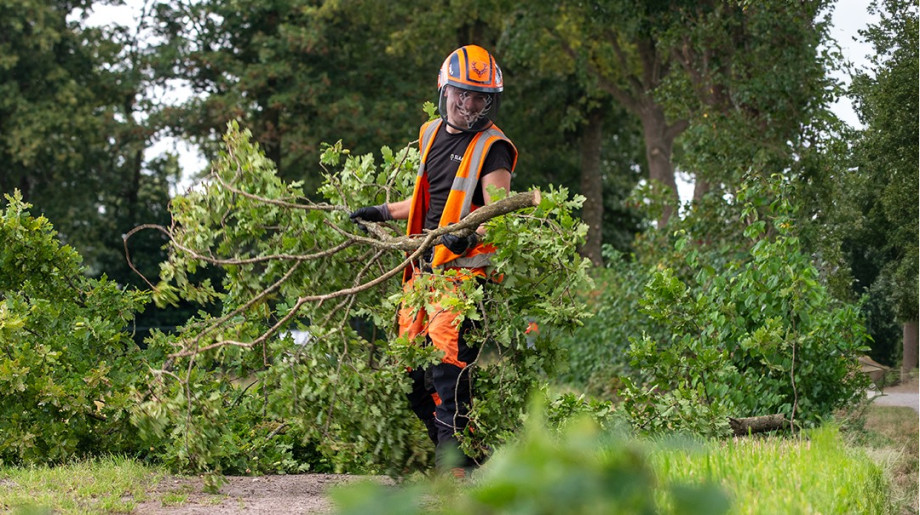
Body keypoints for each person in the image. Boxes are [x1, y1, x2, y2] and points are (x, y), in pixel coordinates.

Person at [349, 44, 517, 477]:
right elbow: (429, 199)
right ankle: (471, 455)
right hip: (421, 268)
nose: (468, 103)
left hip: (461, 275)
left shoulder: (493, 147)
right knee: (408, 374)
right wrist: (383, 212)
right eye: (461, 93)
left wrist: (467, 238)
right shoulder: (430, 133)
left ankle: (452, 468)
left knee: (448, 371)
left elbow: (497, 218)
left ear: (489, 101)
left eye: (478, 97)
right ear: (445, 90)